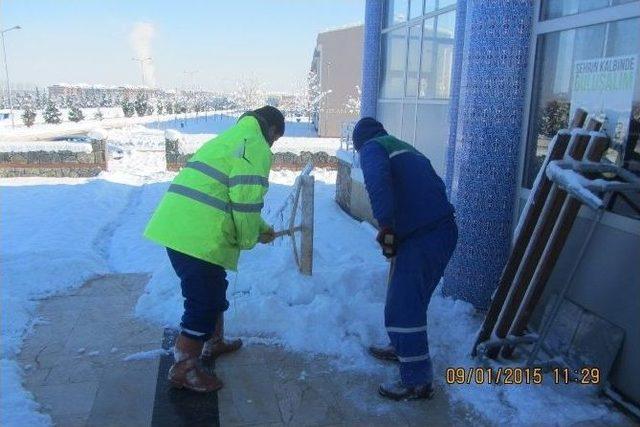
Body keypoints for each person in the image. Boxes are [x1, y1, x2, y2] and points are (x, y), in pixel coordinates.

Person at [144, 106, 285, 393]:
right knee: (203, 301)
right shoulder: (255, 146)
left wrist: (261, 229)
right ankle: (183, 368)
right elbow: (245, 203)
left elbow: (228, 194)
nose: (273, 144)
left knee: (214, 286)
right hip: (197, 236)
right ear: (272, 130)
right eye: (276, 138)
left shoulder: (230, 138)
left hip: (183, 227)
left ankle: (214, 342)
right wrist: (248, 239)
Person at [352, 117, 458, 401]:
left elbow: (377, 182)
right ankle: (401, 348)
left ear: (359, 143)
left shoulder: (372, 148)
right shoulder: (403, 147)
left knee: (402, 306)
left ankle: (417, 382)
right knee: (411, 301)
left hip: (424, 236)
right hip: (437, 231)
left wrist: (385, 224)